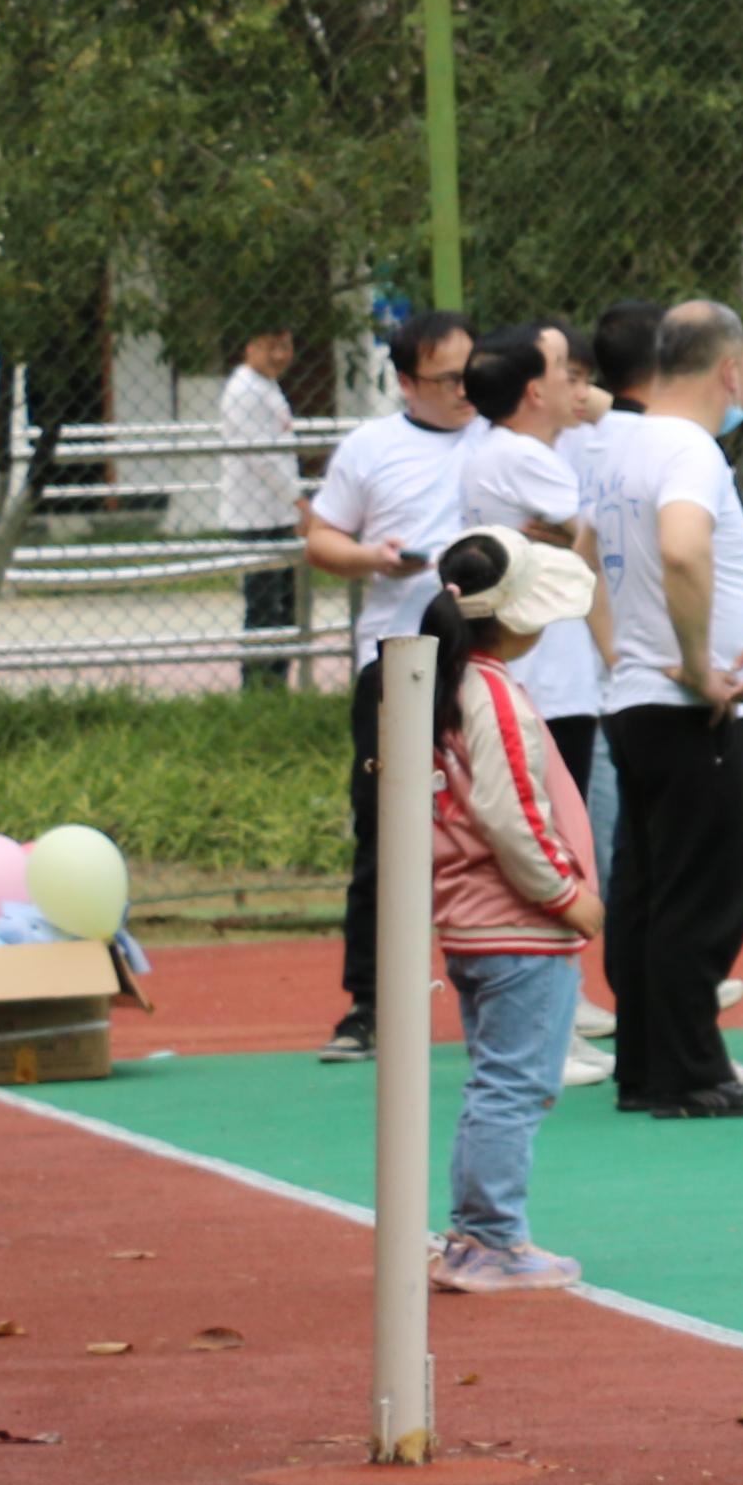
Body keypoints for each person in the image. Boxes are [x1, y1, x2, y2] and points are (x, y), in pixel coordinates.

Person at [579, 300, 743, 1116]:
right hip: (689, 703)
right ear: (729, 369)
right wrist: (699, 665)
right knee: (703, 891)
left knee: (650, 885)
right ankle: (693, 1073)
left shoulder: (621, 445)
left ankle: (648, 1065)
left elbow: (585, 553)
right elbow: (685, 546)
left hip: (637, 695)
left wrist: (617, 646)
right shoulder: (689, 447)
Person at [412, 530, 605, 1293]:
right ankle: (490, 1239)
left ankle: (474, 1233)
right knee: (514, 1084)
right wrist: (566, 894)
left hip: (477, 919)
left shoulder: (447, 684)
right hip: (518, 922)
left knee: (497, 1081)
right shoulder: (490, 692)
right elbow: (513, 810)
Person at [305, 308, 477, 1064]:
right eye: (448, 379)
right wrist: (375, 557)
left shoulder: (506, 437)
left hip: (495, 661)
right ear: (406, 382)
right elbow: (321, 538)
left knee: (509, 828)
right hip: (400, 660)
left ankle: (526, 997)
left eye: (475, 374)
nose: (466, 391)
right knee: (388, 834)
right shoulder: (371, 447)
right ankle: (371, 1004)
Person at [454, 322, 610, 1083]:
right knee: (555, 845)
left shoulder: (510, 450)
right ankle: (554, 1025)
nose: (577, 385)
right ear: (532, 391)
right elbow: (593, 528)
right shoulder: (521, 454)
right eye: (562, 372)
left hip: (554, 672)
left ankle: (567, 1006)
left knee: (566, 837)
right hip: (552, 678)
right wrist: (571, 539)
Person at [223, 327, 304, 691]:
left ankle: (276, 682)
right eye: (272, 346)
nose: (280, 355)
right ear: (250, 346)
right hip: (256, 515)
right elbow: (263, 457)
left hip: (276, 510)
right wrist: (299, 501)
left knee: (283, 605)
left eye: (285, 346)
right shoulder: (245, 390)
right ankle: (259, 686)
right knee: (263, 607)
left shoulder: (266, 386)